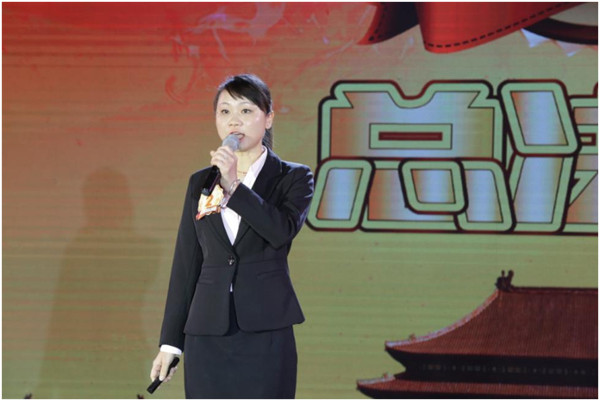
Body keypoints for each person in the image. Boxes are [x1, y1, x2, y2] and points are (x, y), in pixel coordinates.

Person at [150, 73, 314, 398]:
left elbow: (280, 231)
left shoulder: (293, 177)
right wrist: (171, 343)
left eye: (246, 110)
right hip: (207, 332)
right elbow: (187, 261)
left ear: (268, 118)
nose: (233, 121)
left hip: (265, 329)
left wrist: (232, 186)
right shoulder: (201, 182)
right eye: (225, 111)